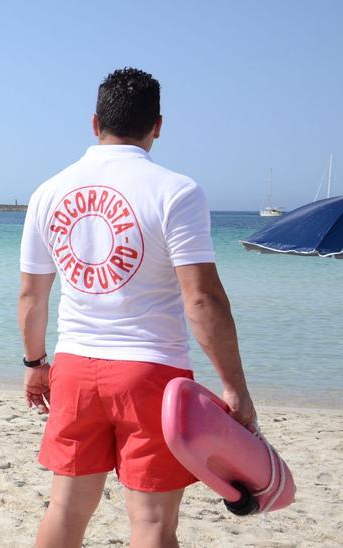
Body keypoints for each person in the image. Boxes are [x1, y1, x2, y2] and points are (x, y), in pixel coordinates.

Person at [18, 67, 257, 548]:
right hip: (151, 373)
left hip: (75, 368)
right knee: (150, 521)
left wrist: (35, 363)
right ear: (158, 126)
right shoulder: (176, 191)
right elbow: (202, 299)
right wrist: (234, 387)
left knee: (66, 507)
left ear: (94, 123)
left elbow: (31, 296)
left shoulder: (48, 192)